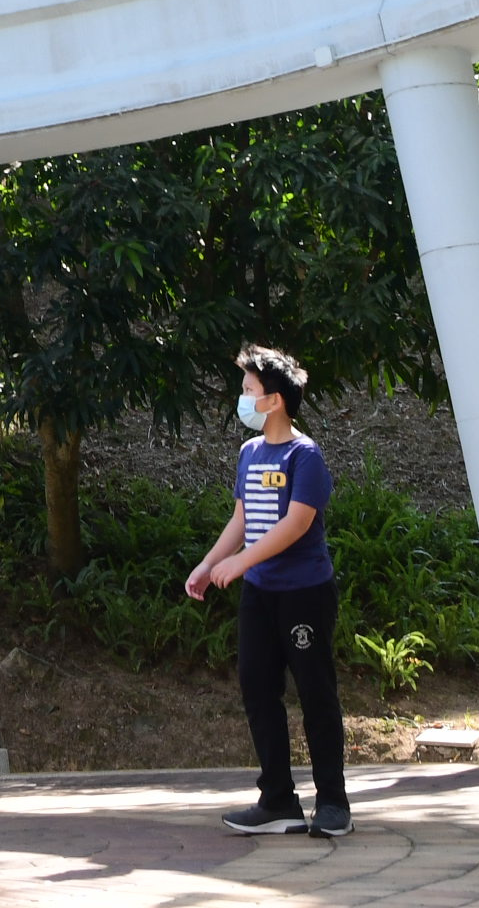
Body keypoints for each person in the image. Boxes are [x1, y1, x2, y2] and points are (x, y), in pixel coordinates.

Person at [183, 342, 346, 838]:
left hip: (304, 593)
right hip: (259, 595)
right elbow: (243, 518)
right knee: (257, 690)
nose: (243, 398)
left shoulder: (305, 455)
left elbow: (297, 524)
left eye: (249, 389)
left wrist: (242, 561)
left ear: (274, 400)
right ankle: (278, 802)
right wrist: (210, 564)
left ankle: (333, 803)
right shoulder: (249, 453)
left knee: (316, 694)